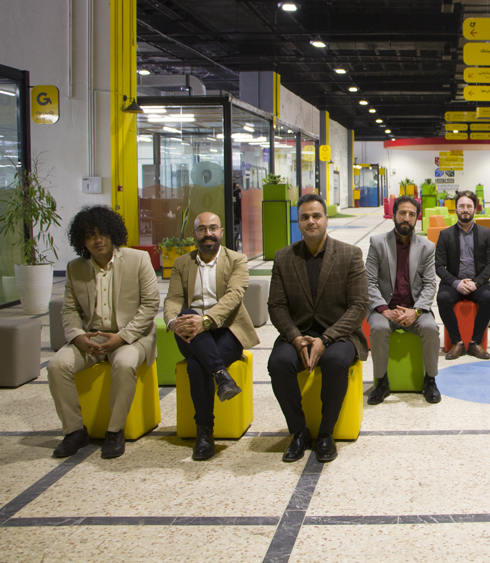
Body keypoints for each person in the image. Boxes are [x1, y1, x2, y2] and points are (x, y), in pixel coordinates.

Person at [48, 206, 160, 459]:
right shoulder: (75, 268)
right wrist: (78, 336)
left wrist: (122, 337)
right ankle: (75, 431)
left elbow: (151, 305)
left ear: (113, 234)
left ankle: (114, 431)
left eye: (102, 233)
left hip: (131, 336)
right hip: (91, 337)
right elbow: (70, 310)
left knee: (124, 364)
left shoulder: (138, 259)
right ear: (82, 241)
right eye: (90, 236)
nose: (97, 240)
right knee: (56, 366)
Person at [268, 194, 369, 463]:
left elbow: (359, 305)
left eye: (316, 216)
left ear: (326, 219)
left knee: (336, 362)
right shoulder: (283, 257)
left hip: (339, 334)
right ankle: (299, 431)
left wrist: (326, 338)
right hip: (298, 333)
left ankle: (325, 433)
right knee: (278, 364)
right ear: (298, 222)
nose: (311, 221)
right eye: (305, 217)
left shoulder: (349, 254)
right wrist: (294, 337)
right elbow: (276, 305)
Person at [163, 212, 260, 461]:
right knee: (185, 314)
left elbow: (234, 295)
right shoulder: (182, 263)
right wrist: (172, 322)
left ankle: (204, 432)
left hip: (227, 330)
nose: (208, 234)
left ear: (221, 232)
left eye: (213, 228)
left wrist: (206, 320)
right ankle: (221, 375)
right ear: (194, 234)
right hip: (189, 332)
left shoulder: (236, 260)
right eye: (202, 229)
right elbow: (173, 298)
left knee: (197, 365)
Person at [366, 195, 441, 405]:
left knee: (430, 328)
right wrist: (383, 309)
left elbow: (430, 285)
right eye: (402, 213)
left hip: (414, 309)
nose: (406, 218)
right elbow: (369, 281)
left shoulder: (427, 247)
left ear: (417, 218)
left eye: (411, 214)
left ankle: (430, 380)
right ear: (393, 215)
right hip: (385, 309)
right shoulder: (377, 243)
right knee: (378, 329)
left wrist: (415, 311)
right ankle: (381, 382)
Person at [436, 190, 490, 361]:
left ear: (475, 210)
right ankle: (457, 342)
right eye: (461, 206)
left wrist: (476, 283)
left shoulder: (486, 233)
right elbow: (439, 266)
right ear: (455, 209)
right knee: (442, 298)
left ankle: (475, 342)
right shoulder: (445, 235)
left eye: (469, 206)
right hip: (454, 283)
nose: (465, 209)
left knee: (489, 298)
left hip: (477, 283)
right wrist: (456, 283)